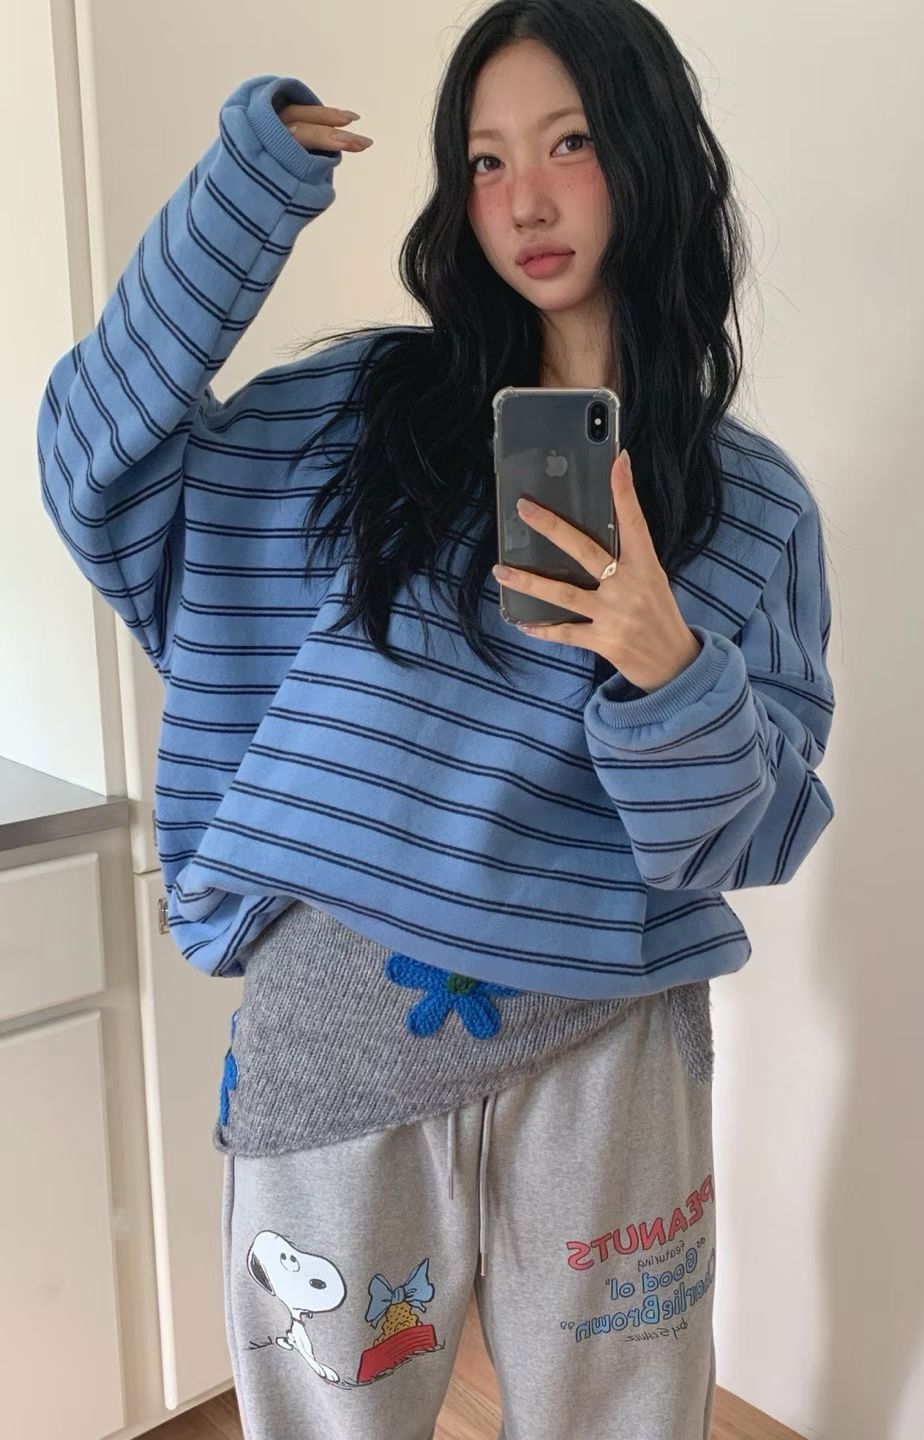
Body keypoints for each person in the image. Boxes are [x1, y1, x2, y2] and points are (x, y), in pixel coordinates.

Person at [37, 2, 836, 1436]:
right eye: (483, 160)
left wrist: (668, 667)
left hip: (608, 1041)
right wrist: (238, 203)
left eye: (569, 143)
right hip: (342, 1020)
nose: (523, 200)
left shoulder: (753, 506)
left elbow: (751, 835)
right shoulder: (356, 418)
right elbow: (96, 463)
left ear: (648, 153)